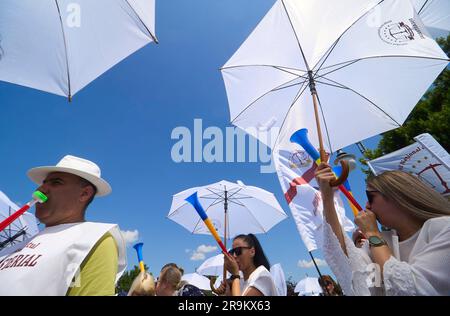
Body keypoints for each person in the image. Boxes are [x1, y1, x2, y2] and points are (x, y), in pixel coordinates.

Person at [0, 155, 126, 296]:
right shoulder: (23, 243)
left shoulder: (94, 240)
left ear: (84, 193)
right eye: (44, 182)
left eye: (56, 183)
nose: (41, 189)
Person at [315, 165, 450, 295]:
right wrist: (327, 197)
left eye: (370, 197)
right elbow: (347, 259)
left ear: (398, 196)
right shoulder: (383, 242)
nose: (366, 205)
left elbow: (411, 290)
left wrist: (372, 233)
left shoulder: (444, 228)